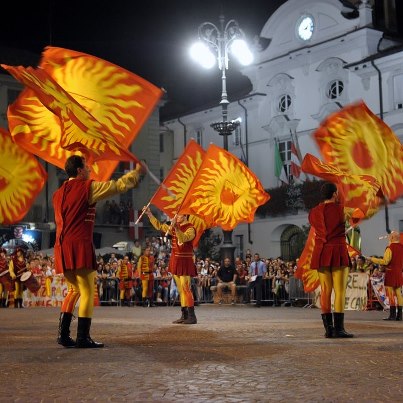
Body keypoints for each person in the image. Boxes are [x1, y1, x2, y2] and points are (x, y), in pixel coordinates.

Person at [53, 155, 143, 348]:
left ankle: (63, 334)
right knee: (87, 291)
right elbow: (118, 186)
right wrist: (136, 173)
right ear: (79, 170)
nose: (90, 170)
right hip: (80, 243)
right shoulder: (87, 187)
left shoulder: (57, 193)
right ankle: (83, 337)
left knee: (73, 290)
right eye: (86, 167)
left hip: (61, 246)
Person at [308, 182, 353, 338]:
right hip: (338, 250)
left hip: (321, 252)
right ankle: (339, 329)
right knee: (339, 291)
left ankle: (329, 330)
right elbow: (361, 213)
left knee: (325, 291)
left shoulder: (313, 212)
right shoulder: (343, 210)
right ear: (334, 194)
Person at [145, 208, 197, 324]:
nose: (176, 216)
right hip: (175, 260)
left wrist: (176, 227)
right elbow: (159, 226)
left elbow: (183, 238)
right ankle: (184, 315)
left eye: (179, 214)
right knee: (180, 289)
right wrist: (149, 214)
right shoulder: (174, 226)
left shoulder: (191, 228)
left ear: (185, 216)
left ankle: (192, 316)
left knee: (186, 288)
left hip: (185, 260)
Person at [369, 231, 403, 321]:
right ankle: (400, 315)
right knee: (399, 294)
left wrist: (372, 259)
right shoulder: (402, 247)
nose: (388, 238)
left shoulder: (390, 248)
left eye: (389, 237)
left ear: (392, 238)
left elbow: (385, 261)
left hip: (391, 272)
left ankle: (392, 315)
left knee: (391, 294)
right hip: (399, 272)